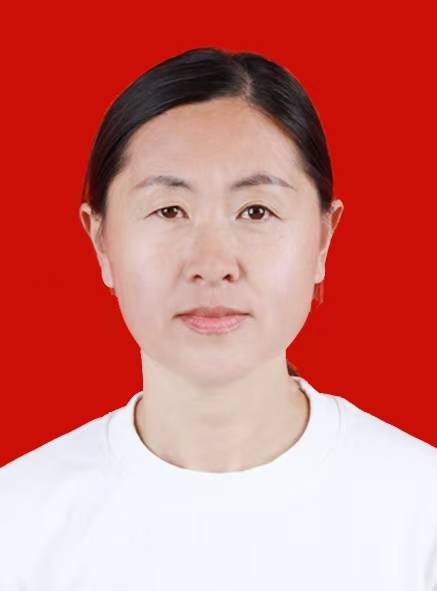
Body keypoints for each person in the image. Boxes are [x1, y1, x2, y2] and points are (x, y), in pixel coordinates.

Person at [0, 46, 436, 591]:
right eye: (169, 210)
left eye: (256, 211)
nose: (212, 264)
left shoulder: (421, 512)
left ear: (323, 238)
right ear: (101, 241)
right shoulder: (17, 523)